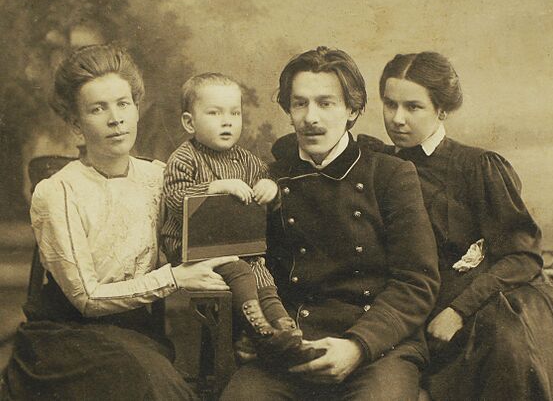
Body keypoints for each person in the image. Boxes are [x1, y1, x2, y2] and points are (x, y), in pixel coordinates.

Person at [1, 44, 239, 400]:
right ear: (77, 125)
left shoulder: (159, 179)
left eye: (123, 104)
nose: (116, 119)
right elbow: (87, 298)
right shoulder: (58, 192)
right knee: (152, 384)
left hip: (138, 334)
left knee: (154, 376)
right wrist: (175, 277)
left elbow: (201, 240)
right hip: (65, 339)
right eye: (98, 109)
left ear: (136, 110)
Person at [359, 51, 553, 400]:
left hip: (497, 303)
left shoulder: (477, 167)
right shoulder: (378, 164)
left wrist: (458, 311)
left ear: (441, 110)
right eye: (390, 104)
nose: (397, 119)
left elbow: (523, 256)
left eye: (413, 107)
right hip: (420, 309)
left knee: (510, 349)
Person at [220, 46, 440, 401]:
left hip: (379, 347)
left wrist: (357, 346)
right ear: (288, 110)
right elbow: (251, 268)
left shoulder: (390, 174)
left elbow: (416, 281)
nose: (311, 117)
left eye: (326, 103)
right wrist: (258, 334)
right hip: (293, 345)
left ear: (352, 109)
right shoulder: (268, 180)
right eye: (300, 104)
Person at [161, 73, 316, 363]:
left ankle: (283, 327)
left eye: (234, 113)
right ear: (189, 123)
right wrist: (213, 187)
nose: (227, 122)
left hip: (237, 245)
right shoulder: (184, 158)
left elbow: (268, 188)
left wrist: (270, 189)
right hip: (192, 249)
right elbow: (174, 198)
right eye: (214, 113)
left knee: (260, 271)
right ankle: (257, 330)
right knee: (240, 269)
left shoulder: (247, 160)